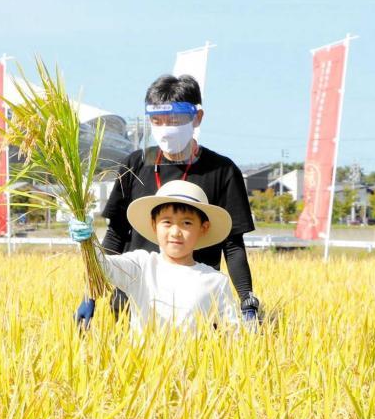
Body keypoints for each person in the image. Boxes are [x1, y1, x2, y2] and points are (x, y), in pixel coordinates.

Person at [75, 74, 259, 328]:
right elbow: (116, 234)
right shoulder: (136, 164)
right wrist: (90, 292)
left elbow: (233, 245)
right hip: (135, 297)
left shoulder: (221, 170)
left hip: (196, 300)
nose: (165, 128)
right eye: (157, 121)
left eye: (174, 120)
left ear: (197, 118)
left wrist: (247, 300)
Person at [69, 180, 241, 333]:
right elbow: (102, 266)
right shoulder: (141, 265)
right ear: (154, 224)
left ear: (203, 228)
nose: (175, 232)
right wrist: (86, 240)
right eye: (167, 222)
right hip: (141, 366)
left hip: (192, 367)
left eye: (186, 223)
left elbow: (232, 334)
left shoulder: (215, 281)